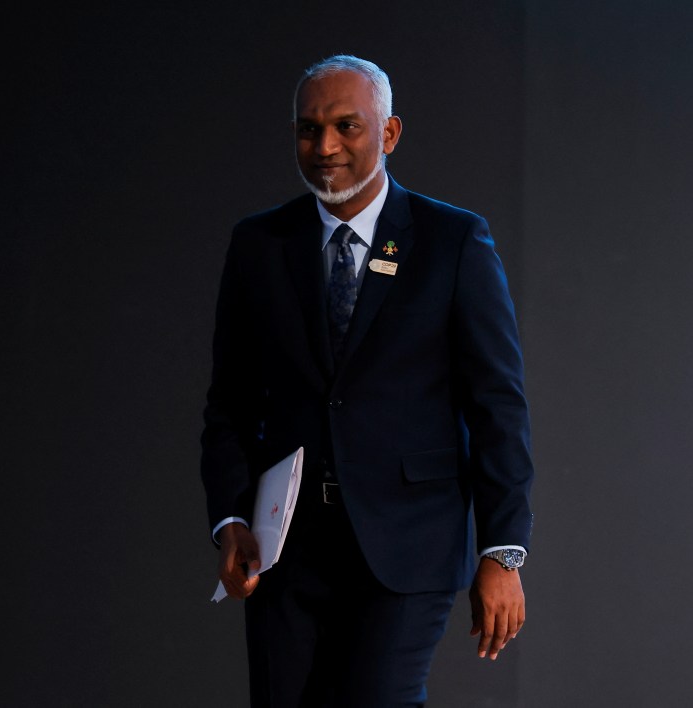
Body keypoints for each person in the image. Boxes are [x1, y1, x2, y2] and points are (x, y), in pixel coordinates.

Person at [200, 55, 534, 707]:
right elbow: (229, 403)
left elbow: (498, 406)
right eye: (307, 129)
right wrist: (231, 517)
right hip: (285, 552)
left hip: (408, 546)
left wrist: (503, 550)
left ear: (389, 133)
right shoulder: (259, 245)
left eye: (346, 126)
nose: (324, 147)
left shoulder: (453, 242)